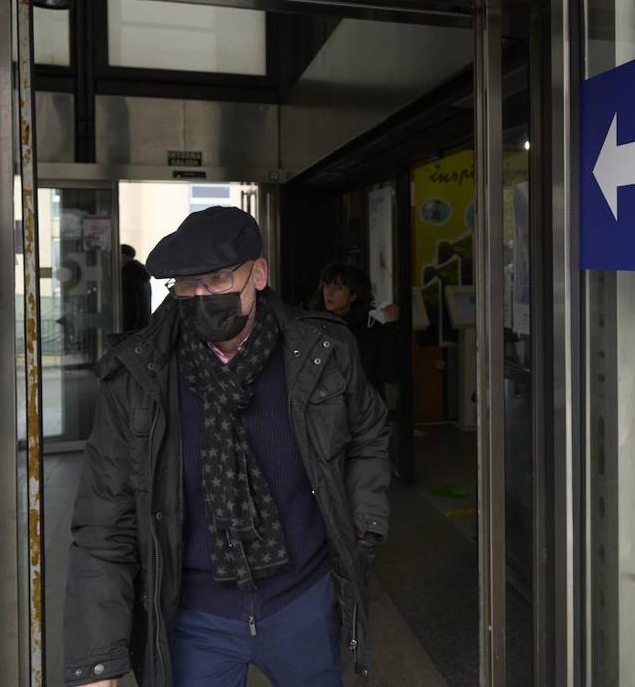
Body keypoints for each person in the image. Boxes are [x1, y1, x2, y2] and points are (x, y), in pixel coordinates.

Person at [64, 207, 389, 687]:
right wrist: (97, 660)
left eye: (217, 280)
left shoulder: (323, 353)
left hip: (303, 600)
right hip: (197, 617)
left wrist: (363, 524)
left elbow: (367, 432)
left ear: (257, 274)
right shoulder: (137, 378)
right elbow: (104, 521)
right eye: (187, 284)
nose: (201, 297)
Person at [311, 263, 400, 401]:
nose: (329, 292)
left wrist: (390, 327)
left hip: (364, 407)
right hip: (325, 407)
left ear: (353, 295)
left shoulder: (370, 327)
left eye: (338, 288)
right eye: (327, 286)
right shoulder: (313, 325)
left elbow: (389, 374)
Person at [119, 243, 152, 332]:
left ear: (122, 256)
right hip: (143, 326)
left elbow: (130, 305)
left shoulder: (127, 275)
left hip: (131, 329)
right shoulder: (142, 274)